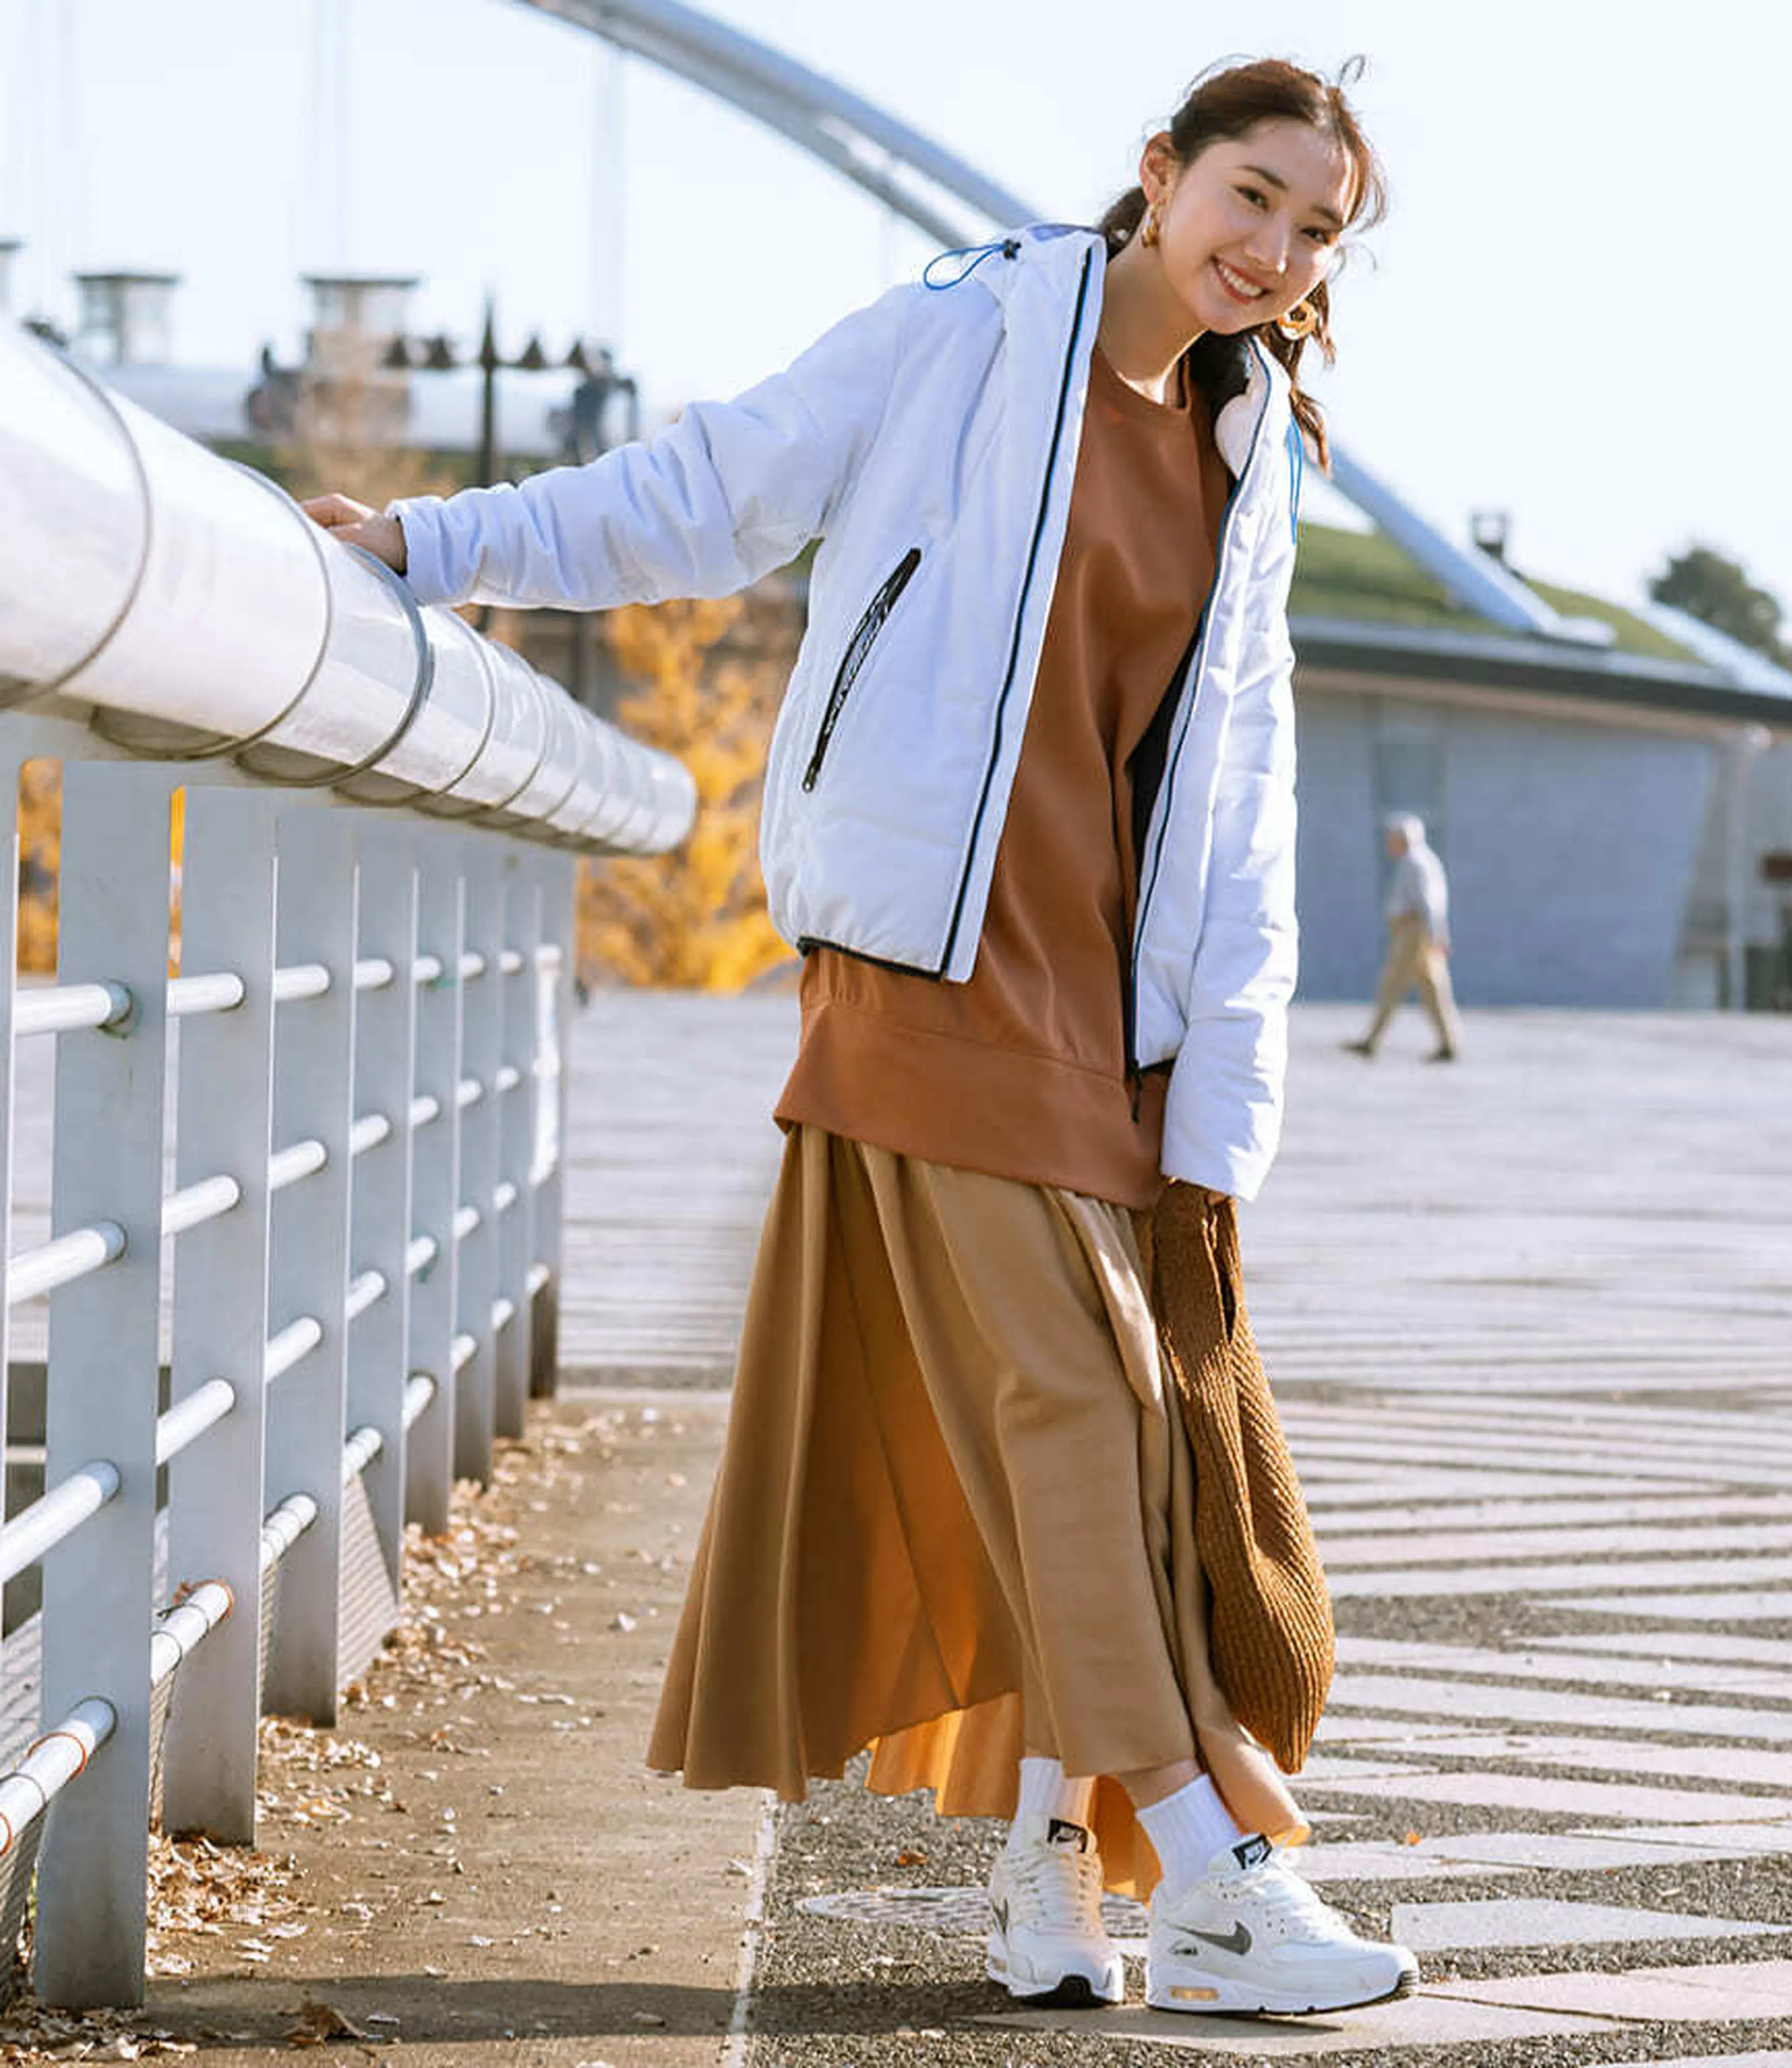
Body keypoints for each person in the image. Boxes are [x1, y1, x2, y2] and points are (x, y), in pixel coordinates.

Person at [304, 58, 1417, 2021]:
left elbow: (1247, 799)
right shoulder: (969, 333)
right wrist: (426, 545)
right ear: (1158, 175)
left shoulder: (1256, 456)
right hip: (922, 962)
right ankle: (1224, 1870)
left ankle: (1054, 1882)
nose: (1272, 250)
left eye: (1317, 228)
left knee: (1119, 1441)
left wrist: (1224, 1094)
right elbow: (709, 492)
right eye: (1251, 195)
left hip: (1104, 1008)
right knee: (1079, 1403)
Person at [1344, 813, 1460, 1061]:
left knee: (1394, 985)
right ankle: (1448, 1043)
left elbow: (1429, 902)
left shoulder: (1417, 863)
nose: (1389, 844)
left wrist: (1436, 934)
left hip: (1413, 934)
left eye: (1393, 838)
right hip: (1416, 933)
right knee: (1431, 989)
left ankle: (1371, 1041)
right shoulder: (1420, 861)